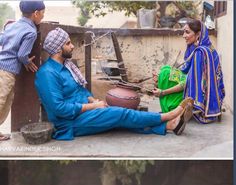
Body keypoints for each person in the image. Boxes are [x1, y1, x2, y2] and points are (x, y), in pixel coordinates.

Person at [35, 27, 194, 140]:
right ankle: (168, 116)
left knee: (121, 118)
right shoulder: (47, 74)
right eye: (68, 43)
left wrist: (92, 100)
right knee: (120, 114)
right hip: (70, 123)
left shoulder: (66, 67)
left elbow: (80, 90)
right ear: (57, 49)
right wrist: (92, 107)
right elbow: (59, 109)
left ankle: (169, 126)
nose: (73, 45)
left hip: (84, 112)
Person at [153, 19, 225, 124]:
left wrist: (163, 92)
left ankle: (175, 110)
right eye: (183, 32)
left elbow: (189, 83)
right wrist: (160, 77)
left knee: (165, 74)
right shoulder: (204, 47)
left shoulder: (200, 53)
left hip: (202, 98)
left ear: (198, 34)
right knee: (165, 70)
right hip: (213, 95)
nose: (183, 35)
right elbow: (186, 72)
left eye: (187, 32)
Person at [0, 1, 45, 141]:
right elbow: (21, 55)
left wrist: (5, 29)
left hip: (3, 68)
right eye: (43, 13)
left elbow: (2, 40)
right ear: (36, 14)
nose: (43, 16)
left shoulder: (12, 25)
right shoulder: (31, 32)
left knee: (6, 102)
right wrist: (27, 61)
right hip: (6, 71)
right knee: (2, 101)